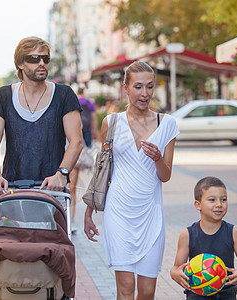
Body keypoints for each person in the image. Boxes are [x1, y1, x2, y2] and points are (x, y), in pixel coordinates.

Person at [84, 61, 179, 300]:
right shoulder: (111, 122)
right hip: (119, 213)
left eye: (149, 86)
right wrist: (89, 210)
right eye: (138, 87)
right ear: (125, 88)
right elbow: (101, 169)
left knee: (147, 292)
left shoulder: (166, 124)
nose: (144, 93)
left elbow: (165, 176)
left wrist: (158, 158)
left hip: (150, 214)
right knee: (125, 288)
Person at [0, 36, 83, 195]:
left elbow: (76, 141)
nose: (42, 63)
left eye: (45, 58)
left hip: (53, 189)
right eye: (34, 58)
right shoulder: (3, 96)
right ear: (20, 64)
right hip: (12, 189)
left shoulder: (63, 95)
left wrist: (61, 174)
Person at [170, 176, 237, 300]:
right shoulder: (188, 234)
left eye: (223, 199)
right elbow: (176, 267)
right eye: (212, 200)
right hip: (197, 294)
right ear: (198, 205)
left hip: (226, 293)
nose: (219, 204)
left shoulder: (233, 232)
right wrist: (175, 274)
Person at [69, 87, 97, 231]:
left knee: (70, 188)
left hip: (72, 145)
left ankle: (69, 220)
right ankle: (70, 220)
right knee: (72, 188)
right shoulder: (89, 103)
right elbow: (93, 118)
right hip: (82, 140)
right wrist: (94, 132)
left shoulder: (72, 101)